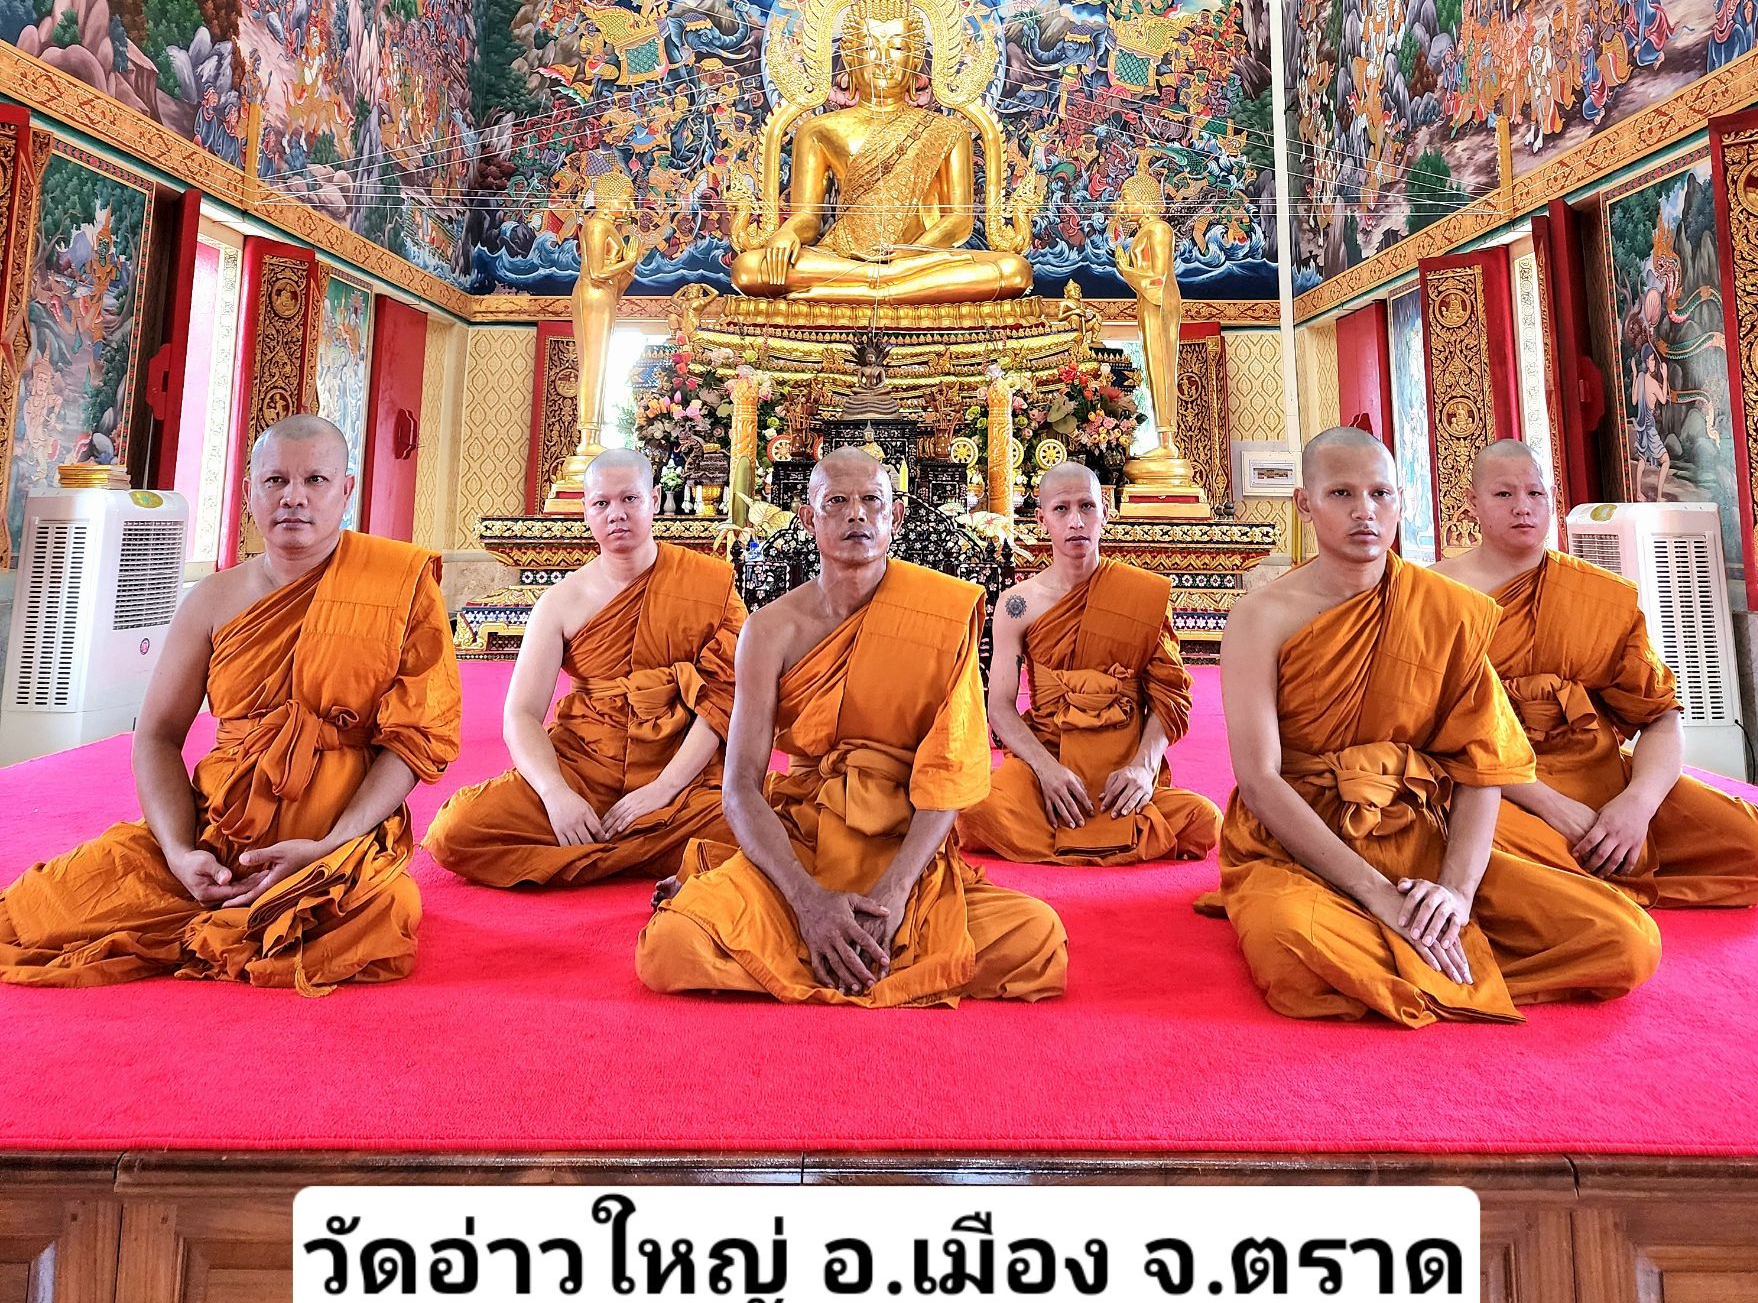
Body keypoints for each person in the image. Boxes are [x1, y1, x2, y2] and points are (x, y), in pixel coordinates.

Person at [1199, 426, 1660, 1026]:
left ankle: (1417, 951)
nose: (1364, 511)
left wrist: (1456, 893)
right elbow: (1260, 781)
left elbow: (1482, 764)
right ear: (1304, 503)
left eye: (1380, 494)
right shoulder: (1259, 618)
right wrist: (1376, 893)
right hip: (1298, 842)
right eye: (1341, 494)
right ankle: (1411, 947)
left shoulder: (1443, 609)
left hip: (1418, 831)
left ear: (1401, 501)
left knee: (1627, 942)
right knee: (1292, 954)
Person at [0, 416, 459, 992]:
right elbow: (157, 735)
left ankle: (303, 882)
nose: (293, 497)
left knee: (376, 919)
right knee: (37, 911)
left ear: (345, 490)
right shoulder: (212, 599)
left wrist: (332, 842)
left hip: (337, 845)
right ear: (248, 491)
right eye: (275, 481)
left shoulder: (401, 584)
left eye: (315, 480)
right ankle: (208, 889)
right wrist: (178, 852)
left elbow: (414, 740)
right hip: (216, 834)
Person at [635, 446, 1066, 1005]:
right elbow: (740, 787)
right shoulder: (769, 630)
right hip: (806, 839)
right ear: (808, 518)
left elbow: (947, 781)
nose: (856, 514)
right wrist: (807, 902)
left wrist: (895, 893)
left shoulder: (940, 613)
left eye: (871, 501)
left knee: (1038, 937)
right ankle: (834, 938)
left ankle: (826, 944)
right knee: (672, 946)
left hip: (900, 841)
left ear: (896, 516)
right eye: (836, 501)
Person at [1446, 440, 1758, 908]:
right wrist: (1554, 807)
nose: (1522, 507)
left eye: (1535, 493)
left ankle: (1589, 884)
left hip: (1599, 777)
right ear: (1472, 502)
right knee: (1480, 854)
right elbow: (1440, 736)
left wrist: (1637, 805)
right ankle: (1581, 890)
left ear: (1551, 499)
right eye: (1503, 494)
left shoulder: (1598, 594)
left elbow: (1660, 717)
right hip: (1497, 790)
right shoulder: (1437, 596)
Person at [425, 449, 745, 886]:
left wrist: (663, 788)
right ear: (586, 511)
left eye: (630, 499)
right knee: (456, 832)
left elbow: (723, 702)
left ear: (654, 500)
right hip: (584, 767)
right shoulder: (560, 602)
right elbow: (521, 714)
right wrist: (556, 795)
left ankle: (605, 848)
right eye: (601, 503)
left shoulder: (712, 583)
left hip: (681, 776)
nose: (617, 514)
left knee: (765, 829)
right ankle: (653, 851)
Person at [960, 462, 1220, 865]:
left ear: (1106, 512)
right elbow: (999, 707)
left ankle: (1084, 826)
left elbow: (1170, 699)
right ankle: (1107, 831)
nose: (1076, 521)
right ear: (1042, 519)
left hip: (1120, 765)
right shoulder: (1018, 604)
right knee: (974, 812)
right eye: (1061, 509)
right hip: (1047, 756)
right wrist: (1046, 770)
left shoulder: (1142, 596)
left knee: (1204, 820)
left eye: (1087, 506)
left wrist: (1142, 767)